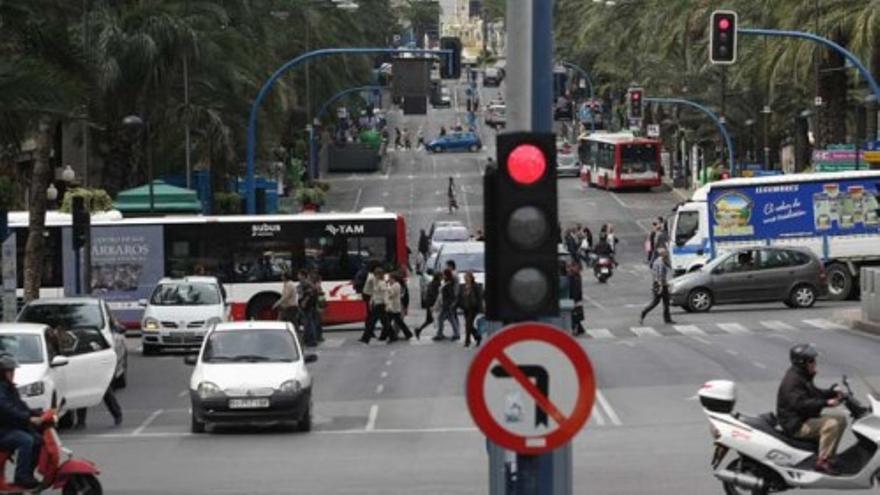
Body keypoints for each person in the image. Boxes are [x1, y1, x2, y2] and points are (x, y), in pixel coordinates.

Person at [777, 344, 847, 475]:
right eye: (811, 360)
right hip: (796, 424)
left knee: (841, 419)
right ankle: (822, 462)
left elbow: (813, 393)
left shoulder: (802, 376)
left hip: (804, 418)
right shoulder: (793, 380)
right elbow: (801, 403)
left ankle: (830, 457)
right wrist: (826, 402)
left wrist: (831, 393)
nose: (815, 363)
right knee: (831, 424)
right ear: (802, 363)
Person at [0, 355, 43, 489]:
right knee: (26, 440)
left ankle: (28, 475)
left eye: (13, 371)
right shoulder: (1, 390)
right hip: (3, 431)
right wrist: (28, 418)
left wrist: (36, 413)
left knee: (38, 439)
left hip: (10, 428)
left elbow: (19, 405)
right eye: (10, 371)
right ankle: (21, 477)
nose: (13, 374)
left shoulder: (9, 387)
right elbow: (7, 409)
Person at [639, 247, 674, 325]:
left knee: (666, 303)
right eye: (665, 252)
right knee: (655, 302)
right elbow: (660, 275)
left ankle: (667, 319)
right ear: (662, 254)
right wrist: (661, 286)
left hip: (661, 284)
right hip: (660, 285)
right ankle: (644, 312)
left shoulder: (660, 261)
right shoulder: (661, 262)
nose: (667, 253)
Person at [360, 266, 390, 344]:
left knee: (372, 322)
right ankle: (392, 335)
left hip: (380, 304)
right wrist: (371, 302)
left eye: (376, 274)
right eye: (375, 274)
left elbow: (384, 294)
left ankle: (365, 338)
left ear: (379, 275)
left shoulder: (382, 283)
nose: (375, 276)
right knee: (384, 322)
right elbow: (374, 294)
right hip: (377, 303)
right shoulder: (376, 282)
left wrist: (386, 304)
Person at [383, 273, 413, 343]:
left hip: (393, 306)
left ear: (393, 278)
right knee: (398, 322)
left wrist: (386, 288)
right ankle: (407, 333)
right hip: (393, 306)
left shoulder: (396, 285)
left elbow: (391, 294)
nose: (389, 280)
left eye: (390, 278)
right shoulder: (395, 285)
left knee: (389, 322)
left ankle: (391, 336)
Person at [433, 268, 461, 341]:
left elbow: (450, 296)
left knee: (441, 319)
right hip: (447, 305)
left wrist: (447, 304)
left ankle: (440, 334)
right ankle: (456, 333)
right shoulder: (447, 283)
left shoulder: (448, 284)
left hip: (446, 305)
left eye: (444, 274)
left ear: (446, 275)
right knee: (451, 319)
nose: (443, 275)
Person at [459, 271, 484, 347]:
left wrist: (481, 309)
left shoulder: (476, 286)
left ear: (471, 278)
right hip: (465, 308)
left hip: (473, 308)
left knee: (468, 324)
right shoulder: (463, 286)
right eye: (465, 277)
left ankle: (467, 341)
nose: (466, 279)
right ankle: (478, 336)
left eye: (467, 277)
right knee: (468, 325)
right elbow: (460, 297)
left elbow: (479, 297)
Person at [417, 272, 441, 339]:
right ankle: (439, 333)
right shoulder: (437, 284)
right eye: (441, 277)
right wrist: (434, 305)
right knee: (436, 319)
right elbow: (435, 295)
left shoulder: (431, 283)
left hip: (429, 303)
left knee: (430, 320)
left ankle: (419, 330)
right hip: (431, 304)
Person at [298, 270, 319, 347]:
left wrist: (304, 301)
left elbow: (310, 293)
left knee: (308, 323)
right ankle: (309, 339)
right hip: (308, 305)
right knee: (308, 322)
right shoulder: (306, 283)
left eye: (299, 274)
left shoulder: (306, 283)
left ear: (303, 275)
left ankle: (311, 340)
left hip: (307, 305)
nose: (298, 276)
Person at [568, 262, 586, 336]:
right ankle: (579, 328)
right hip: (574, 297)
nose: (571, 268)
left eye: (573, 266)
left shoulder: (575, 276)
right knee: (574, 313)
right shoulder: (573, 276)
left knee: (575, 313)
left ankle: (577, 328)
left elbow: (576, 288)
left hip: (575, 297)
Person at [311, 271, 326, 343]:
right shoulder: (317, 288)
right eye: (320, 281)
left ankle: (317, 336)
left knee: (317, 322)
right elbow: (320, 298)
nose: (321, 282)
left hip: (317, 307)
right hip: (317, 307)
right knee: (317, 322)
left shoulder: (317, 287)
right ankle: (318, 336)